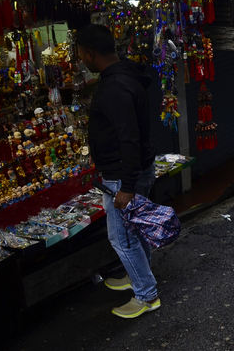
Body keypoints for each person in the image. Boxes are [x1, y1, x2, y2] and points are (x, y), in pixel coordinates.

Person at [76, 24, 159, 319]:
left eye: (80, 55)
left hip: (123, 175)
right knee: (133, 229)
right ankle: (138, 274)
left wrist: (126, 186)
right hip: (135, 169)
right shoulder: (124, 75)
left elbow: (128, 137)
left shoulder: (114, 88)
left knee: (121, 237)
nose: (81, 60)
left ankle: (146, 295)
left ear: (89, 54)